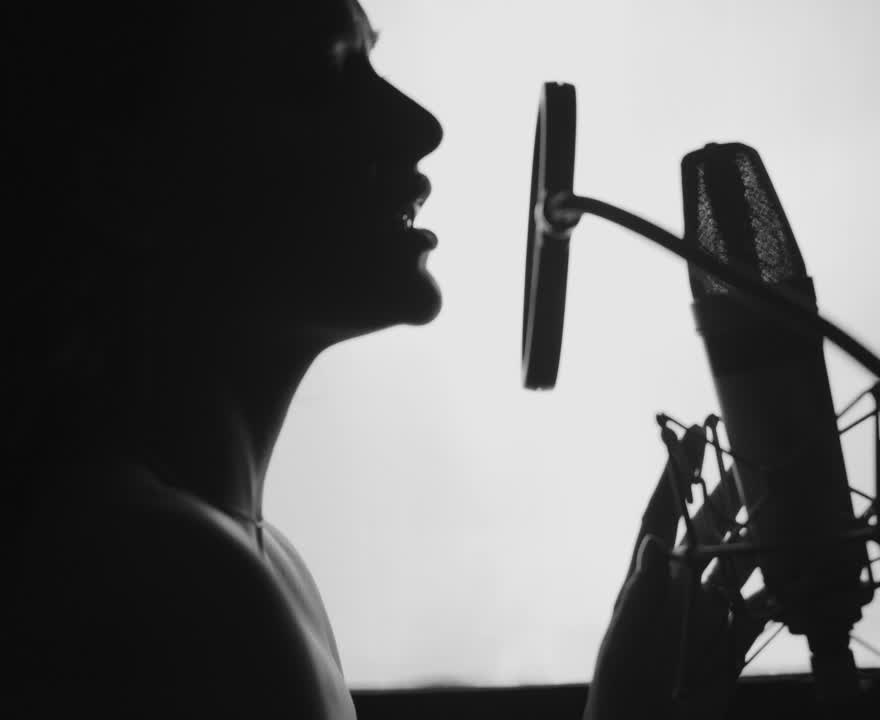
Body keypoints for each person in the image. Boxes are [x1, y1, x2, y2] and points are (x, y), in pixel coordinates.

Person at [5, 1, 765, 718]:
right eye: (322, 79)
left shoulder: (255, 559)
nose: (419, 126)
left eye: (370, 62)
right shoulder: (169, 581)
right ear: (122, 178)